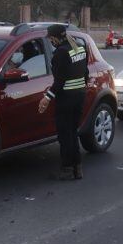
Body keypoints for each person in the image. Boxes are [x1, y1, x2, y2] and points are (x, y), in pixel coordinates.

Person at [38, 24, 89, 180]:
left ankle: (67, 169)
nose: (50, 41)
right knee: (73, 132)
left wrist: (47, 97)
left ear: (54, 38)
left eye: (50, 38)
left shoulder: (60, 53)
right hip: (79, 96)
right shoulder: (79, 47)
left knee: (65, 135)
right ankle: (77, 168)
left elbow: (59, 81)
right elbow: (85, 73)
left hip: (66, 98)